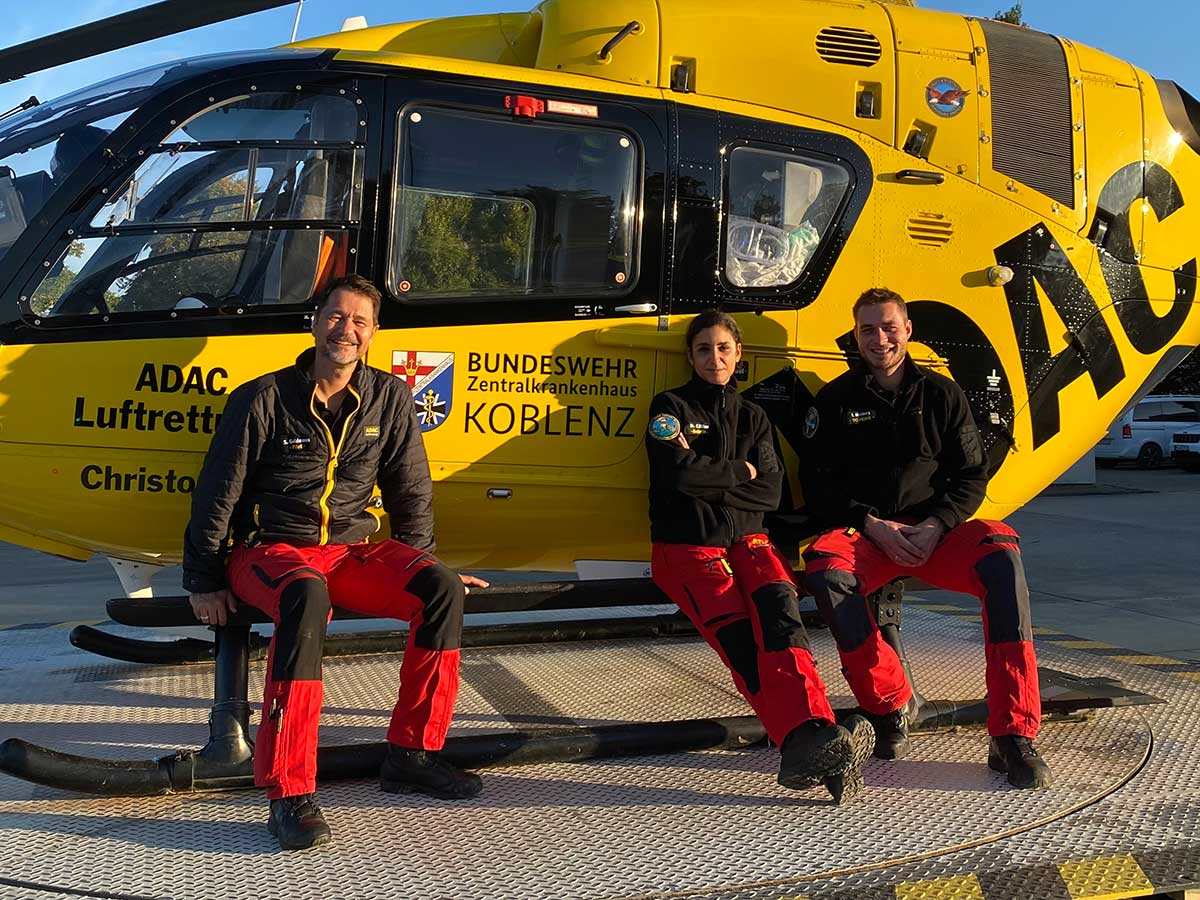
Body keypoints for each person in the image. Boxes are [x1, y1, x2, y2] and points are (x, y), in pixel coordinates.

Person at [183, 274, 488, 851]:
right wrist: (202, 578)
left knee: (440, 590)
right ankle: (289, 789)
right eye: (336, 316)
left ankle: (412, 754)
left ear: (373, 334)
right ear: (315, 320)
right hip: (270, 550)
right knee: (305, 596)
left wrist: (419, 565)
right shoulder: (263, 397)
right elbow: (217, 492)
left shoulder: (390, 397)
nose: (345, 329)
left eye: (359, 321)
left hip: (349, 551)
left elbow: (410, 491)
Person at [799, 288, 1050, 789]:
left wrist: (938, 523)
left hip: (934, 535)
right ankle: (889, 705)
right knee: (827, 573)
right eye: (867, 329)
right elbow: (819, 484)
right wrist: (871, 524)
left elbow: (971, 474)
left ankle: (1012, 734)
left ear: (907, 330)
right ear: (855, 335)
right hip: (868, 535)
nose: (879, 338)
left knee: (1002, 555)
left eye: (889, 326)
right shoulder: (834, 401)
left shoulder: (943, 394)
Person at [646, 311, 874, 804]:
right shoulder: (669, 408)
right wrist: (739, 471)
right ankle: (812, 737)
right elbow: (676, 479)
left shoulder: (755, 417)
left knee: (782, 623)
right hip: (690, 546)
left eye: (723, 348)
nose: (714, 358)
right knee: (743, 645)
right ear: (690, 356)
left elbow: (769, 493)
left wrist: (711, 474)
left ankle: (812, 736)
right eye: (704, 349)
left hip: (751, 542)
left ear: (738, 355)